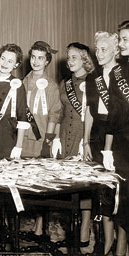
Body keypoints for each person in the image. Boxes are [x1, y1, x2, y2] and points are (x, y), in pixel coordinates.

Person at [83, 31, 126, 255]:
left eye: (104, 50)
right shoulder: (93, 78)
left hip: (120, 137)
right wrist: (85, 141)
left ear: (116, 51)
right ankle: (106, 242)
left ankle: (121, 246)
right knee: (103, 192)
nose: (98, 54)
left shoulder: (123, 76)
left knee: (121, 192)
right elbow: (89, 112)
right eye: (97, 49)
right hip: (99, 135)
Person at [0, 43, 29, 238]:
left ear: (16, 65)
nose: (5, 63)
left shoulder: (18, 85)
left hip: (8, 140)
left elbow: (22, 118)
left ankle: (12, 224)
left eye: (10, 61)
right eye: (3, 59)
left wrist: (18, 146)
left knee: (10, 186)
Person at [54, 42, 95, 249]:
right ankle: (70, 227)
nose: (70, 61)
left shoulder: (93, 82)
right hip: (64, 137)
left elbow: (94, 114)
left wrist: (86, 140)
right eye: (68, 57)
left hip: (82, 137)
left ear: (84, 60)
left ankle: (85, 227)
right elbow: (59, 112)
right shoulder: (64, 83)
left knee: (83, 185)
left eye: (74, 57)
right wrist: (54, 138)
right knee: (66, 185)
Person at [21, 41, 61, 239]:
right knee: (24, 185)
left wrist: (48, 142)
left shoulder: (52, 85)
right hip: (23, 141)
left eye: (40, 58)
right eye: (33, 57)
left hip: (41, 140)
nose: (36, 61)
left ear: (47, 61)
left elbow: (54, 115)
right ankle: (30, 224)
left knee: (40, 187)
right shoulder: (22, 81)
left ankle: (40, 227)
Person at [101, 21, 129, 255]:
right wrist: (107, 150)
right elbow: (113, 113)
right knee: (123, 201)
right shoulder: (117, 72)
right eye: (120, 39)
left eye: (125, 40)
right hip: (122, 145)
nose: (120, 44)